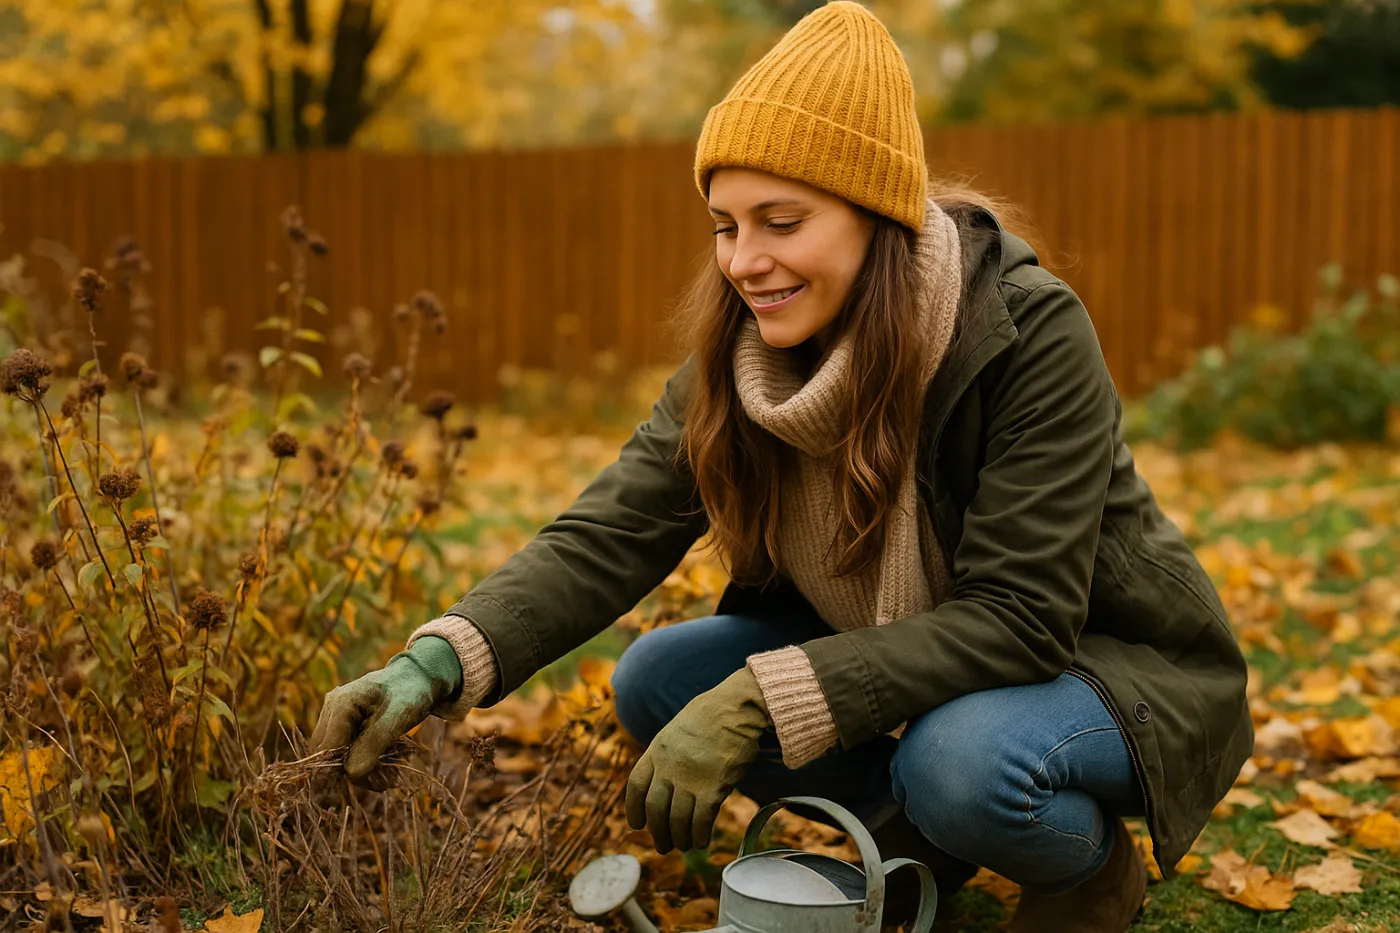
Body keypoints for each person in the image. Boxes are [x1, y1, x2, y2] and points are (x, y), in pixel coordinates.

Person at [309, 3, 1253, 930]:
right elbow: (609, 533)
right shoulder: (743, 358)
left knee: (957, 764)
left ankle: (1087, 870)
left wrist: (766, 695)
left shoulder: (1025, 332)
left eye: (782, 221)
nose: (745, 261)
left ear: (876, 215)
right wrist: (435, 661)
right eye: (726, 225)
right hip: (913, 645)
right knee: (659, 677)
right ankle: (916, 839)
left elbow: (1021, 617)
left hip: (1100, 666)